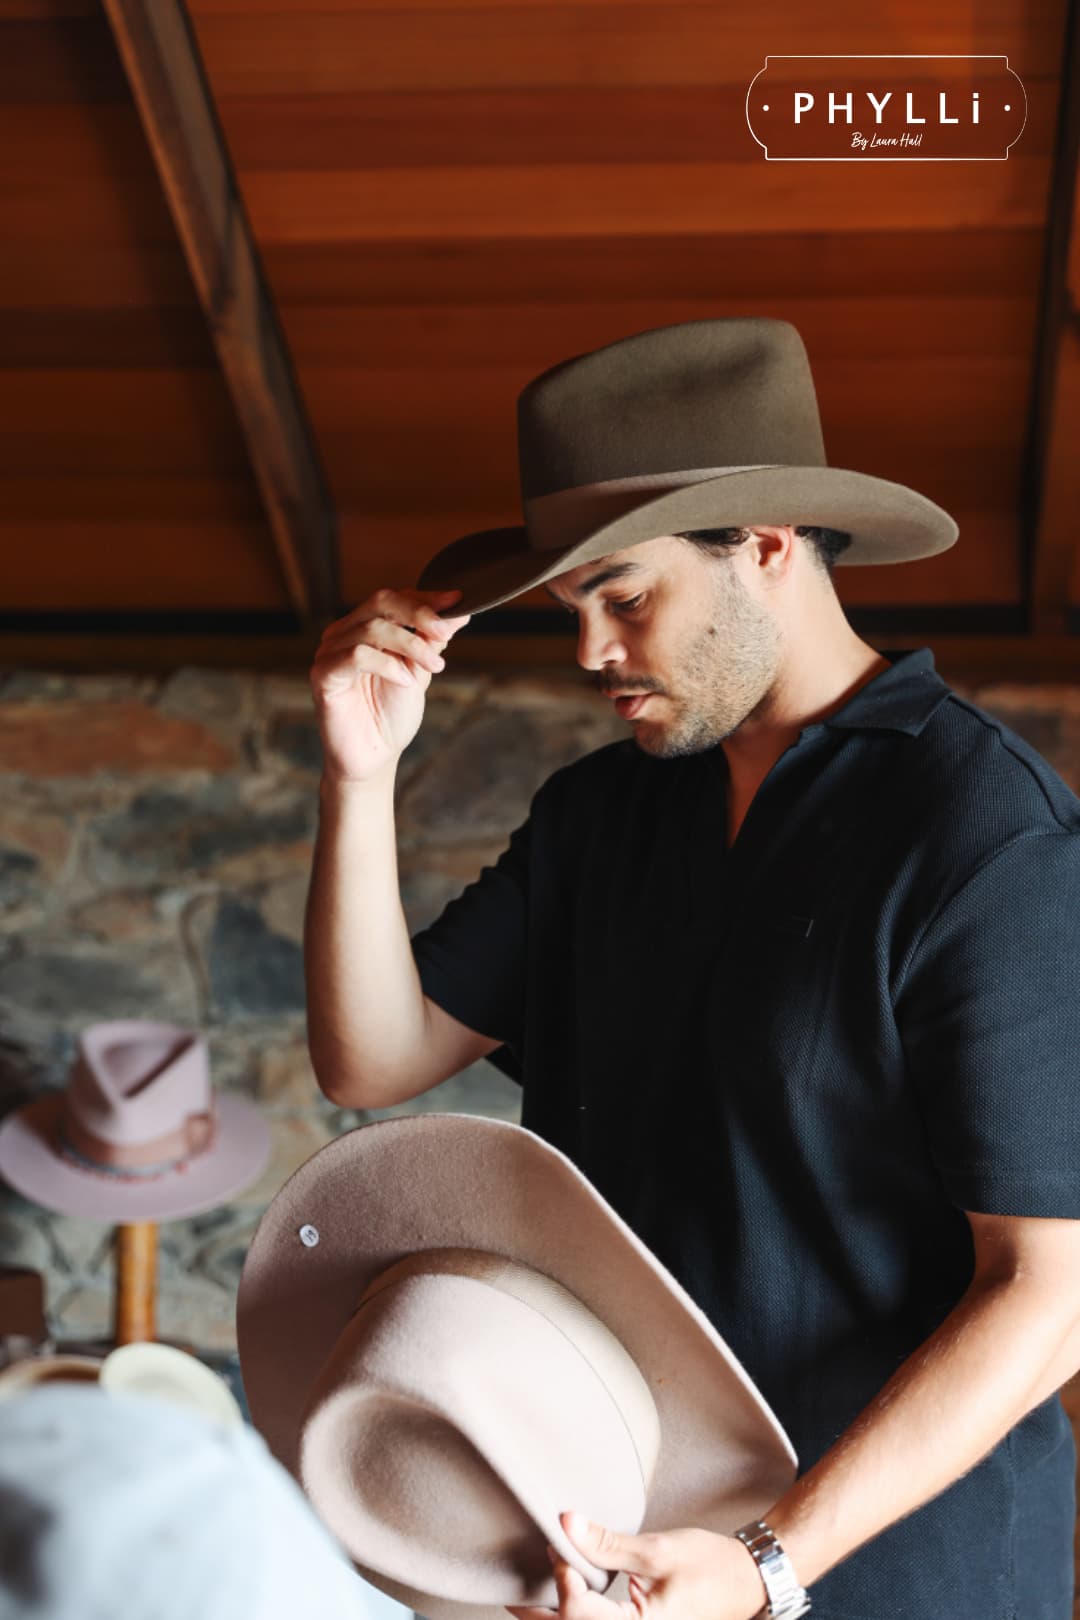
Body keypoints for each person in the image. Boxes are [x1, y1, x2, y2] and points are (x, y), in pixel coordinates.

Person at [303, 319, 1080, 1620]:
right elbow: (372, 1058)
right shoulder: (605, 813)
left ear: (766, 546)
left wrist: (771, 1563)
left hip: (896, 1576)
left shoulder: (984, 836)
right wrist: (357, 773)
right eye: (573, 608)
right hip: (612, 1550)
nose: (591, 652)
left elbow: (1048, 1294)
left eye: (625, 594)